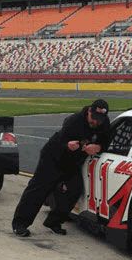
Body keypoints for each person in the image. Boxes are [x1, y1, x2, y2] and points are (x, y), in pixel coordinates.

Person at [12, 99, 111, 237]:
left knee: (74, 190)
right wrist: (67, 145)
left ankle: (54, 221)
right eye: (94, 118)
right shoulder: (74, 121)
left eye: (99, 119)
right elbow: (60, 140)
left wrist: (98, 147)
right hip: (53, 158)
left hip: (72, 163)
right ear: (89, 111)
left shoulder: (104, 124)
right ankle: (20, 224)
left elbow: (107, 141)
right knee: (38, 189)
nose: (96, 122)